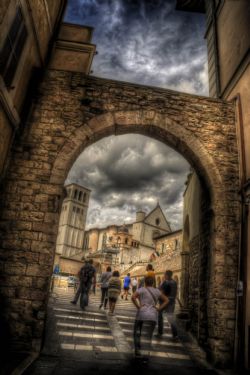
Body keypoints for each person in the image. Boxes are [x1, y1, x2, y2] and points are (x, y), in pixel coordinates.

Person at [132, 276, 168, 361]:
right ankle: (146, 353)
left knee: (137, 332)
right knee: (148, 335)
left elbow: (133, 297)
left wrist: (138, 307)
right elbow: (166, 300)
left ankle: (137, 350)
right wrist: (159, 308)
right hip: (152, 315)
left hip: (142, 314)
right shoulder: (157, 291)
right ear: (153, 283)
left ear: (145, 282)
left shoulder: (141, 289)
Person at [156, 270, 178, 340]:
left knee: (160, 316)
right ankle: (175, 335)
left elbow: (161, 292)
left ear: (167, 275)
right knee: (170, 318)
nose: (164, 275)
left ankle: (160, 332)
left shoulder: (165, 283)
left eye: (164, 274)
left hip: (164, 302)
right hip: (172, 302)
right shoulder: (174, 282)